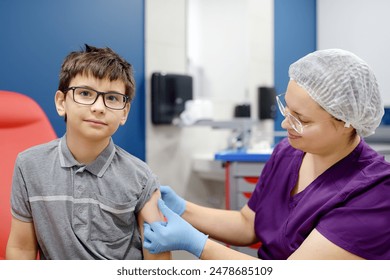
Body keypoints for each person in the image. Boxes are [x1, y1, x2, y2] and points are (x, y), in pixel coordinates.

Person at [143, 49, 390, 260]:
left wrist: (197, 244)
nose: (285, 125)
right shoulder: (289, 152)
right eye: (286, 109)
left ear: (347, 121)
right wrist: (183, 209)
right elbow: (248, 224)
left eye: (301, 119)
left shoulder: (375, 193)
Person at [6, 44, 171, 260]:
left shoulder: (141, 177)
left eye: (112, 98)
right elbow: (21, 249)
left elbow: (157, 261)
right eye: (85, 93)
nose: (99, 107)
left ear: (124, 112)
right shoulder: (29, 165)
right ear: (61, 102)